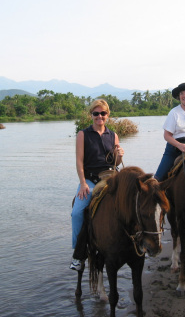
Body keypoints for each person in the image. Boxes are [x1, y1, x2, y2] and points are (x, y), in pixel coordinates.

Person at [70, 99, 124, 271]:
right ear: (91, 115)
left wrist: (120, 154)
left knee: (132, 203)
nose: (99, 116)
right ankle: (78, 255)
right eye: (96, 113)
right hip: (91, 181)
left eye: (103, 113)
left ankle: (136, 243)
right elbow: (79, 162)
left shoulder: (113, 135)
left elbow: (116, 162)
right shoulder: (83, 135)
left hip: (111, 178)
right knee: (77, 213)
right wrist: (83, 183)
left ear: (108, 115)